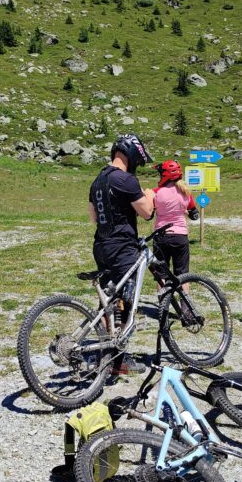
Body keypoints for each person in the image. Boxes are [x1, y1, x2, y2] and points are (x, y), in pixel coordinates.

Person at [88, 134, 155, 375]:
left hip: (101, 245)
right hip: (123, 248)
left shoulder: (97, 180)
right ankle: (119, 360)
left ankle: (107, 354)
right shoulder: (127, 180)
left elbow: (94, 217)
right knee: (126, 302)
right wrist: (150, 195)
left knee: (107, 301)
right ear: (133, 155)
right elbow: (147, 213)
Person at [151, 160, 199, 284]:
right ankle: (184, 303)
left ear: (164, 175)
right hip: (180, 235)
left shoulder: (156, 192)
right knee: (183, 275)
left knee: (161, 274)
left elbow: (149, 213)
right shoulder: (186, 192)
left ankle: (163, 302)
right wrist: (183, 211)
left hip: (161, 235)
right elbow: (194, 215)